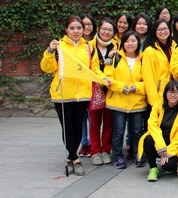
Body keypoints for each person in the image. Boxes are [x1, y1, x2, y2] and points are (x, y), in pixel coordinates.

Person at [40, 15, 109, 176]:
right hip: (62, 94)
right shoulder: (59, 47)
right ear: (66, 30)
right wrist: (49, 51)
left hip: (82, 94)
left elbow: (94, 69)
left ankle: (71, 157)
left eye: (79, 28)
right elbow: (47, 68)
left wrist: (103, 79)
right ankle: (74, 158)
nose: (76, 31)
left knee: (78, 128)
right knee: (67, 128)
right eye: (72, 28)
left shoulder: (89, 48)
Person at [104, 31, 146, 170]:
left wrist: (135, 88)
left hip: (137, 101)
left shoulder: (143, 59)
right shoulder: (115, 57)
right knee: (119, 131)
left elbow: (148, 80)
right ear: (123, 43)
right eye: (127, 41)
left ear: (138, 43)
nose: (130, 44)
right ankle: (117, 156)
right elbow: (107, 77)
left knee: (137, 131)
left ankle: (138, 154)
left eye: (133, 41)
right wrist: (121, 88)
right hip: (118, 101)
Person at [138, 80, 178, 180]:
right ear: (165, 94)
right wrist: (161, 146)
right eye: (170, 92)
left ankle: (166, 161)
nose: (173, 95)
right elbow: (152, 126)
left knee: (168, 166)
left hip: (173, 146)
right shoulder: (157, 107)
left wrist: (168, 153)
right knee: (148, 139)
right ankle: (153, 168)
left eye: (176, 92)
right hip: (159, 144)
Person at [88, 18, 118, 167]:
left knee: (109, 121)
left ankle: (105, 150)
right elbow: (91, 67)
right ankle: (95, 151)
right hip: (95, 88)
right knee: (94, 122)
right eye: (104, 29)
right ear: (98, 30)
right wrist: (103, 78)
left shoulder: (116, 47)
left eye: (110, 30)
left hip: (111, 89)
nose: (106, 32)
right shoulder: (89, 46)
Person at [142, 19, 176, 107]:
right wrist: (154, 102)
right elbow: (148, 78)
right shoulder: (149, 51)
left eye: (165, 29)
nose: (163, 32)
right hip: (159, 97)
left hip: (174, 95)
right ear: (155, 32)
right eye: (159, 30)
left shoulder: (174, 47)